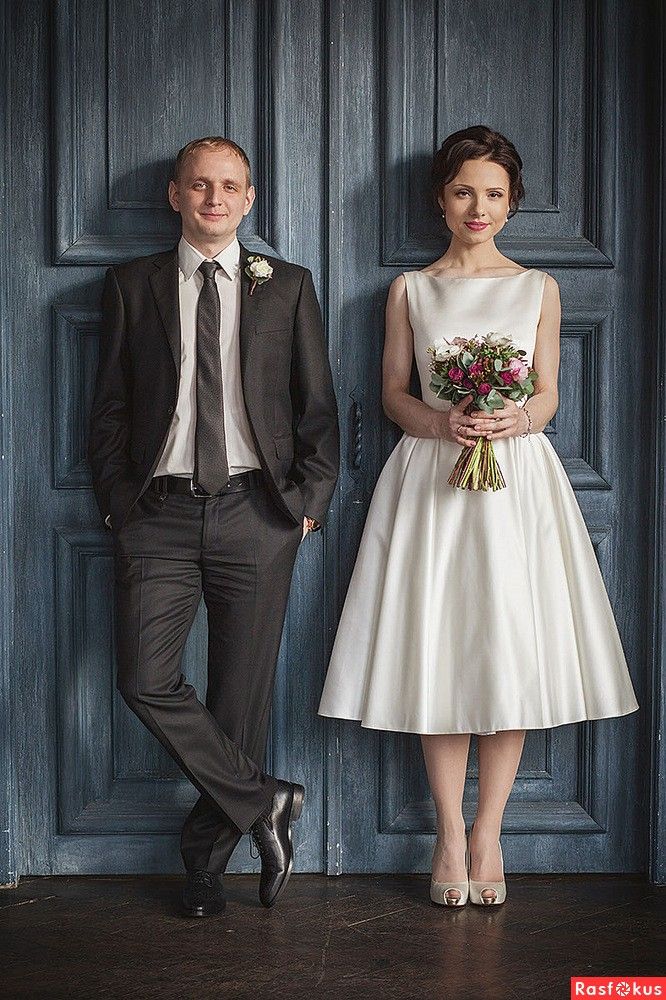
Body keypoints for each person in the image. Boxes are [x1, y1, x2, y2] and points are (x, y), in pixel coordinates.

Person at [318, 125, 638, 907]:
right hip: (432, 478)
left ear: (512, 202)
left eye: (494, 194)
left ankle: (489, 832)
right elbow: (394, 391)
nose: (478, 206)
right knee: (439, 647)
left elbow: (549, 393)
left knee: (507, 647)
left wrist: (512, 421)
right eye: (464, 191)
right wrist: (441, 423)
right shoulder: (410, 291)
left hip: (515, 485)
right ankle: (447, 832)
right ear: (441, 198)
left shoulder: (539, 289)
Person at [88, 136, 339, 917]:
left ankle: (204, 869)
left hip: (257, 514)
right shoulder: (132, 285)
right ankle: (265, 799)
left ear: (250, 198)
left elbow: (319, 414)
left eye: (230, 186)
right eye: (199, 186)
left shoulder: (289, 286)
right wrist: (116, 503)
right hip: (156, 513)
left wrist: (305, 507)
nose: (214, 199)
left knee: (239, 703)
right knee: (144, 678)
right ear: (175, 195)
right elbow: (110, 408)